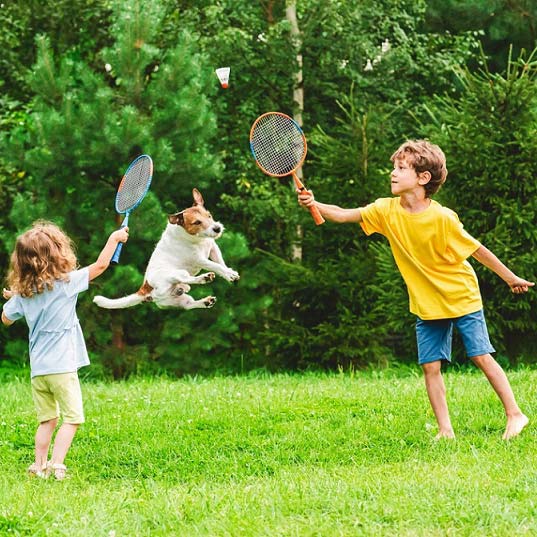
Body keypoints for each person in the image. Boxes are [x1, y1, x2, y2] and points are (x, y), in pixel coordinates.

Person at [298, 139, 533, 440]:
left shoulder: (442, 217)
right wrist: (314, 204)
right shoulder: (385, 210)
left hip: (460, 295)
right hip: (426, 302)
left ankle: (515, 414)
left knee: (480, 356)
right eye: (393, 167)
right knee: (430, 367)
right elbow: (344, 214)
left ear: (423, 178)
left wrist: (510, 277)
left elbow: (477, 250)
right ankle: (445, 430)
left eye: (401, 168)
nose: (392, 173)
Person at [1, 221, 129, 479]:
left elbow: (5, 319)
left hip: (39, 372)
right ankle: (57, 464)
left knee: (47, 420)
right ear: (57, 254)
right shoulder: (66, 283)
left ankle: (38, 466)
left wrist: (14, 297)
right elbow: (101, 266)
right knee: (72, 418)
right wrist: (114, 239)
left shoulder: (23, 295)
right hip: (62, 369)